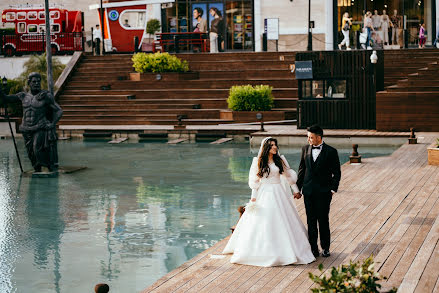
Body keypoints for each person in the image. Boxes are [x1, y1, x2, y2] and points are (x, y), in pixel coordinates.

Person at [223, 137, 316, 267]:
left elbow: (288, 177)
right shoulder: (258, 162)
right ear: (266, 147)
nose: (275, 147)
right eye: (272, 145)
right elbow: (255, 182)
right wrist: (253, 199)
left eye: (275, 145)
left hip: (279, 192)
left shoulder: (280, 160)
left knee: (284, 219)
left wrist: (295, 190)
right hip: (264, 193)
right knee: (263, 221)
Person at [0, 72, 63, 172]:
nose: (37, 83)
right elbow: (6, 99)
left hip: (39, 127)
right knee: (31, 154)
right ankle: (37, 171)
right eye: (34, 82)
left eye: (38, 81)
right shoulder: (23, 96)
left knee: (36, 148)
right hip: (26, 128)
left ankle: (49, 165)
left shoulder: (45, 96)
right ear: (29, 83)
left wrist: (52, 124)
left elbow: (59, 110)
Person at [295, 125, 341, 258]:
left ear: (319, 137)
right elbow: (301, 171)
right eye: (308, 137)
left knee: (323, 220)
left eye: (311, 137)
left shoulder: (331, 151)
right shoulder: (305, 149)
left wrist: (333, 189)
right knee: (311, 221)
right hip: (308, 192)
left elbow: (337, 172)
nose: (309, 139)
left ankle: (325, 248)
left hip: (324, 192)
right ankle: (313, 249)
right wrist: (298, 189)